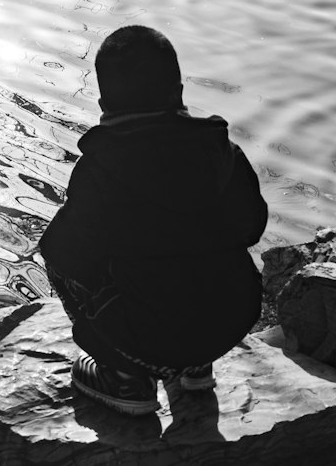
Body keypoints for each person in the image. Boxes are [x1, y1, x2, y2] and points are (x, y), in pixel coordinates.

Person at [38, 24, 268, 416]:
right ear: (178, 92)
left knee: (57, 250)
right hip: (229, 321)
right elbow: (253, 226)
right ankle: (196, 366)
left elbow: (67, 252)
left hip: (144, 335)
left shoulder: (99, 170)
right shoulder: (223, 153)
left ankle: (126, 376)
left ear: (103, 103)